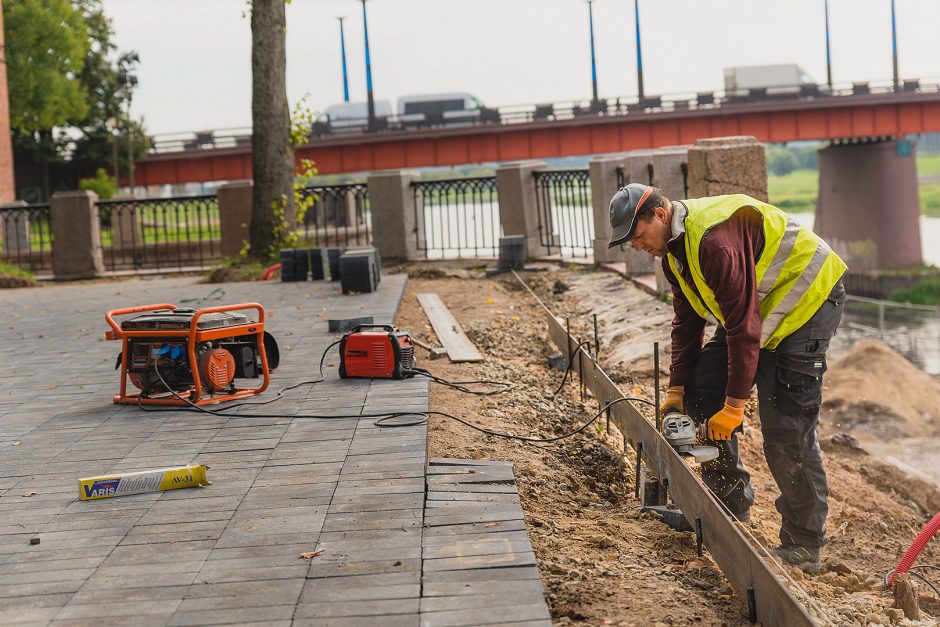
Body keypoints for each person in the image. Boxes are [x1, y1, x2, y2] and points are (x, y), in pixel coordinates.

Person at [608, 183, 847, 574]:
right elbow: (686, 325)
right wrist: (676, 389)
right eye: (630, 243)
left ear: (661, 215)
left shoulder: (713, 242)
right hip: (762, 315)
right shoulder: (674, 257)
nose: (636, 246)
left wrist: (735, 407)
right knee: (702, 392)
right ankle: (729, 503)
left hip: (808, 302)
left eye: (637, 236)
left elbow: (743, 328)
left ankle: (804, 546)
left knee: (786, 426)